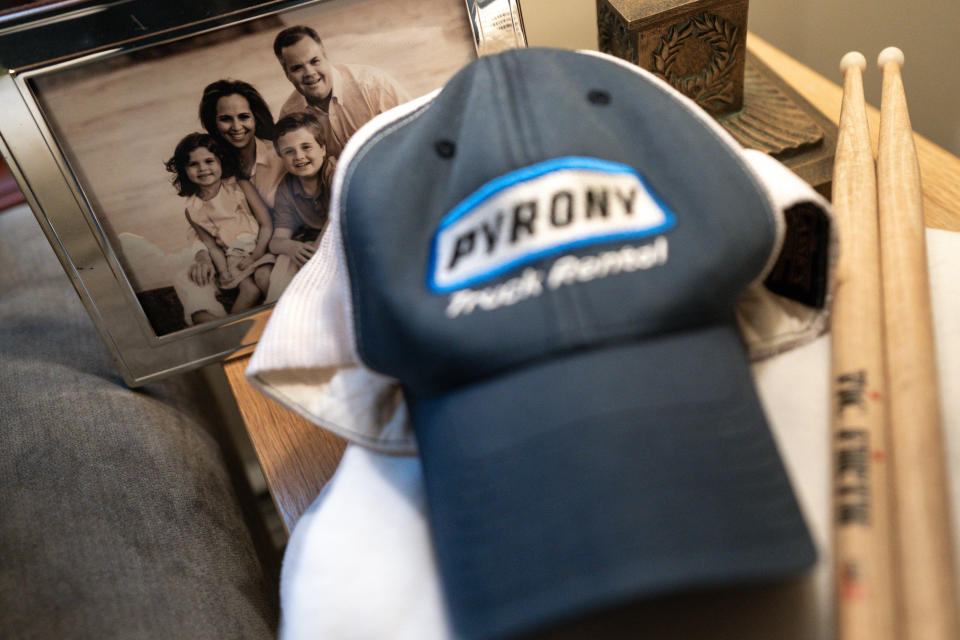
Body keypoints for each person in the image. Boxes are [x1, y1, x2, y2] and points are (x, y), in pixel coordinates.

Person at [178, 80, 287, 325]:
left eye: (244, 117)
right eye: (226, 119)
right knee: (188, 276)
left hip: (276, 243)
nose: (237, 127)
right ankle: (219, 335)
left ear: (256, 118)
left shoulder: (279, 155)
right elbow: (204, 223)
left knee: (265, 280)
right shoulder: (213, 161)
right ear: (214, 123)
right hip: (233, 251)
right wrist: (203, 257)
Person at [166, 133, 274, 318]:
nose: (203, 168)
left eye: (209, 161)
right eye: (193, 164)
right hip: (232, 258)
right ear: (184, 169)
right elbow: (212, 246)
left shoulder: (239, 187)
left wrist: (256, 254)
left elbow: (266, 224)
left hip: (261, 247)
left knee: (263, 278)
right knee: (250, 290)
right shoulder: (193, 209)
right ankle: (230, 329)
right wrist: (223, 271)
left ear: (220, 161)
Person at [273, 25, 411, 155]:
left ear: (326, 58)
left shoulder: (373, 85)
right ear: (287, 74)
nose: (309, 72)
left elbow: (418, 131)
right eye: (297, 68)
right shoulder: (289, 115)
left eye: (315, 61)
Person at [264, 111, 338, 301]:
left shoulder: (334, 172)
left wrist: (318, 252)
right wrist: (291, 247)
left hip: (343, 237)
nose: (299, 156)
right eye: (289, 151)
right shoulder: (286, 189)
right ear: (281, 157)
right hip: (314, 244)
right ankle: (278, 308)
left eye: (306, 147)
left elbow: (336, 218)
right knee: (286, 259)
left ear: (322, 149)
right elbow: (277, 240)